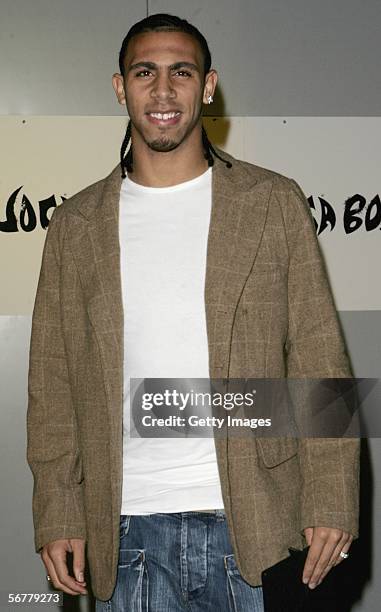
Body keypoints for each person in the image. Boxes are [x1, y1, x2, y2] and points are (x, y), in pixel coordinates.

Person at [27, 13, 359, 612]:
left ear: (208, 86)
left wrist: (333, 498)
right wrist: (57, 508)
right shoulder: (75, 226)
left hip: (256, 527)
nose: (162, 91)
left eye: (181, 72)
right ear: (119, 87)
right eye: (144, 72)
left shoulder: (272, 202)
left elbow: (319, 357)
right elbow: (52, 387)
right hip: (126, 533)